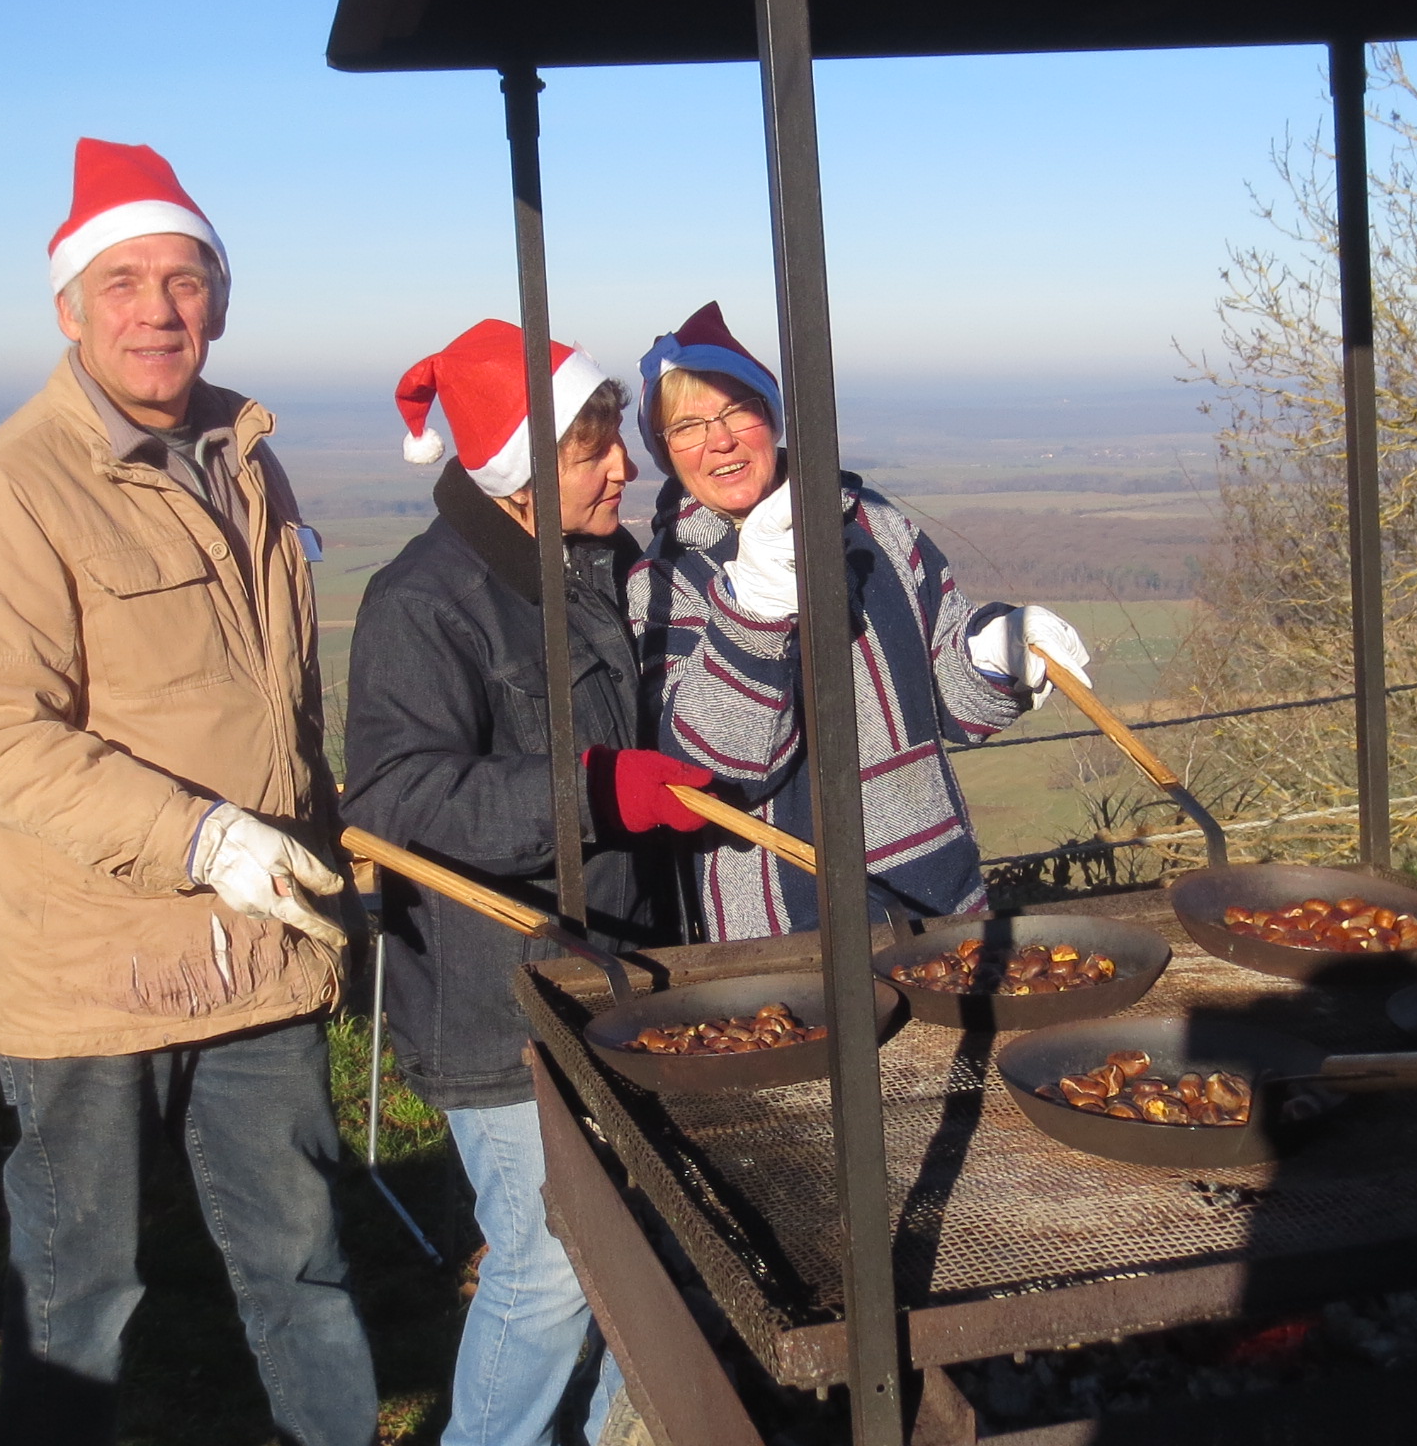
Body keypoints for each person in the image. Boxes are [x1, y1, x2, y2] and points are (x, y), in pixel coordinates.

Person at [0, 137, 375, 1444]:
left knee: (304, 1269)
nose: (157, 310)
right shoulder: (5, 494)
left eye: (184, 280)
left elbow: (280, 704)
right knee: (83, 1299)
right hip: (92, 967)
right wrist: (201, 836)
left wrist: (307, 846)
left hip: (263, 949)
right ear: (68, 309)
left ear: (218, 302)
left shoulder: (247, 460)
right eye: (124, 283)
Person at [341, 320, 707, 1446]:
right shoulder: (425, 602)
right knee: (549, 1266)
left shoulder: (588, 569)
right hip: (497, 998)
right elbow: (395, 801)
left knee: (633, 1246)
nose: (627, 467)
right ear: (516, 476)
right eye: (595, 451)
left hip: (602, 975)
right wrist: (594, 790)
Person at [627, 302, 1094, 939]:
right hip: (781, 918)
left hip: (932, 885)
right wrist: (754, 613)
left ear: (771, 417)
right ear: (665, 452)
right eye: (687, 426)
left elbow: (952, 698)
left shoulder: (872, 526)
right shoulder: (663, 582)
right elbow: (717, 771)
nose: (720, 440)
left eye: (739, 409)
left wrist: (992, 651)